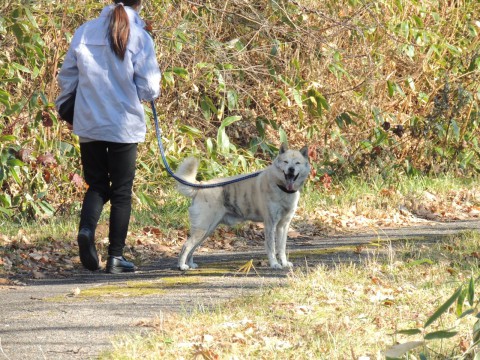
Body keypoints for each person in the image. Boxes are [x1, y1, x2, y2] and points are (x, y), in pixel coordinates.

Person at [55, 0, 161, 274]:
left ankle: (86, 230)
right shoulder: (140, 36)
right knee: (122, 191)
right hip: (123, 125)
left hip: (89, 122)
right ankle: (115, 257)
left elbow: (67, 76)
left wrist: (71, 104)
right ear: (142, 2)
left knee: (97, 184)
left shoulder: (85, 31)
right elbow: (150, 88)